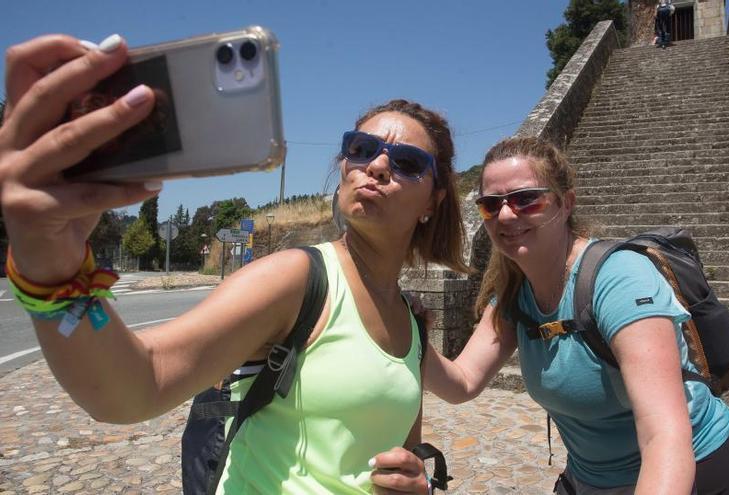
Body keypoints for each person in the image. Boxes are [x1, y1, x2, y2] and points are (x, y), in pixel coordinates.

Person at [0, 33, 470, 494]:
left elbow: (403, 452)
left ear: (434, 198)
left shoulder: (409, 319)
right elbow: (139, 384)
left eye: (407, 161)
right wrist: (54, 266)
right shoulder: (297, 277)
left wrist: (416, 483)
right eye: (362, 149)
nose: (378, 166)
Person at [418, 137, 729, 494]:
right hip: (592, 479)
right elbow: (460, 384)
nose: (506, 214)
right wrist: (410, 332)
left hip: (695, 468)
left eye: (526, 199)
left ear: (565, 204)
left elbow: (663, 434)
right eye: (491, 205)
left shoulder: (619, 279)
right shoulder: (512, 294)